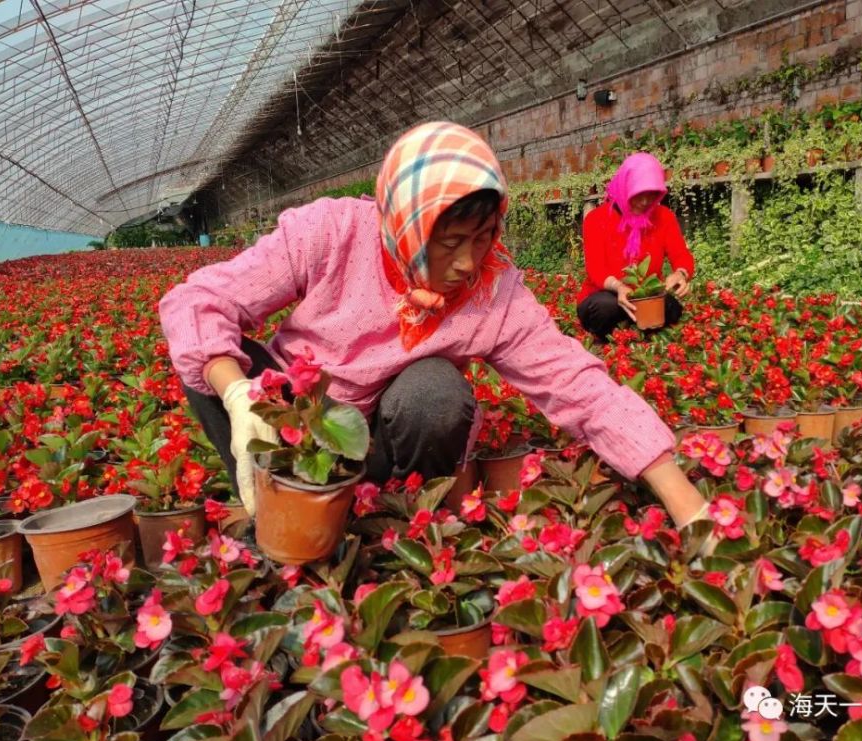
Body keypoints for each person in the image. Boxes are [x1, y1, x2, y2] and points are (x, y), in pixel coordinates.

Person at [159, 121, 712, 538]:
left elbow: (581, 387)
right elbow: (200, 300)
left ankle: (396, 517)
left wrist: (687, 506)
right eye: (448, 242)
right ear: (406, 221)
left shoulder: (495, 291)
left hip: (379, 445)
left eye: (483, 237)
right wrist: (238, 396)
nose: (470, 263)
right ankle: (281, 505)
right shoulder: (331, 231)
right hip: (293, 423)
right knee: (208, 361)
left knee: (436, 391)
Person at [578, 152, 695, 342]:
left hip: (645, 297)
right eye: (639, 194)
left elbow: (681, 254)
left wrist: (680, 274)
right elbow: (596, 270)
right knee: (604, 307)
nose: (645, 202)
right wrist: (620, 287)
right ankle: (632, 328)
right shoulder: (596, 219)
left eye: (652, 195)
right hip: (607, 295)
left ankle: (635, 326)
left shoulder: (664, 216)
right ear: (625, 188)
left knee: (671, 306)